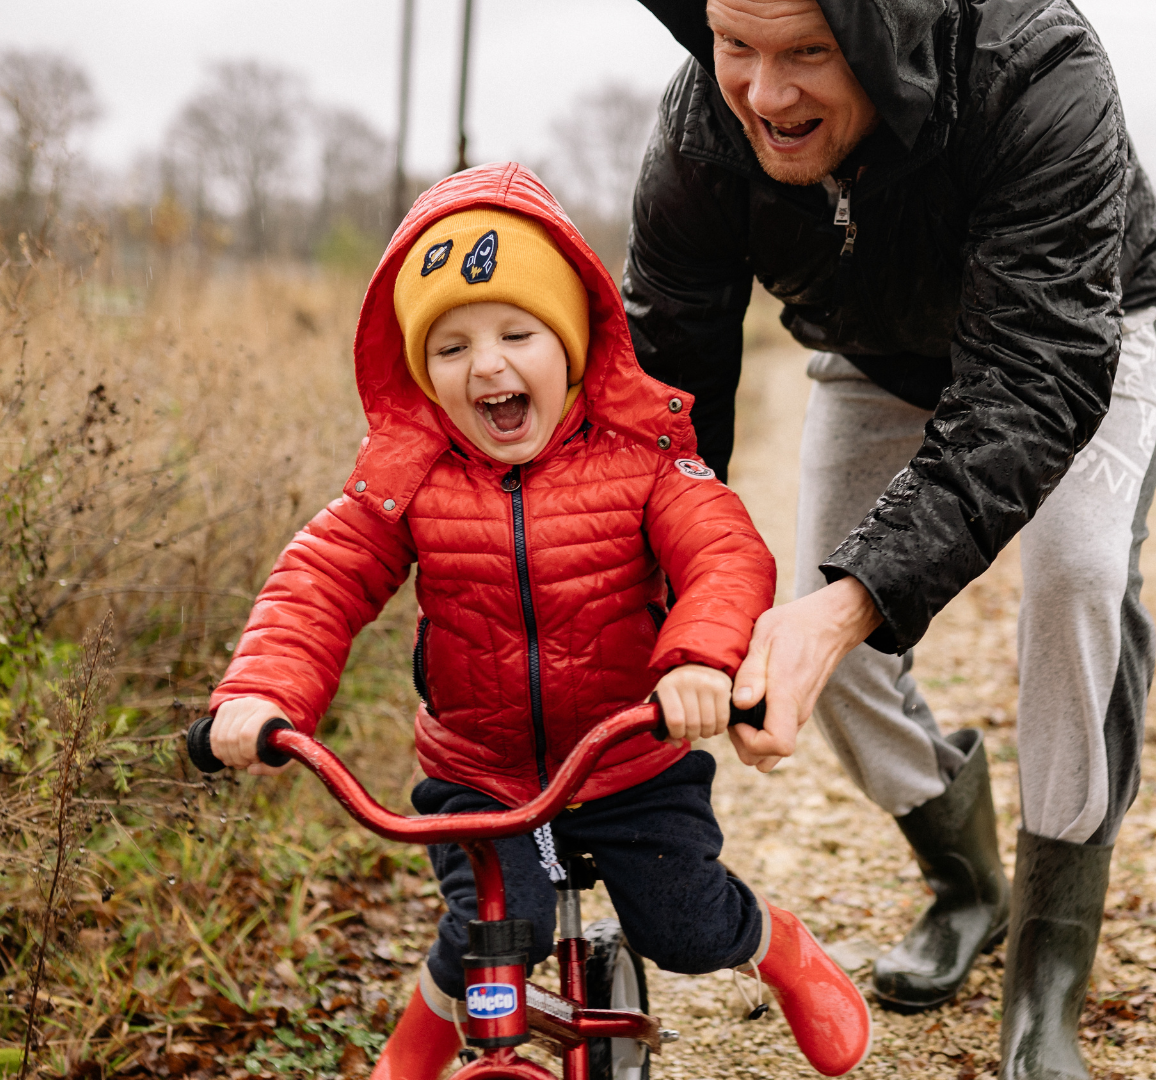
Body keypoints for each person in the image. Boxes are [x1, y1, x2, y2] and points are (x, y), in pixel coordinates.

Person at [202, 163, 871, 1080]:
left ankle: (777, 946)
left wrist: (700, 661)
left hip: (632, 755)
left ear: (573, 344)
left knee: (682, 923)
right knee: (489, 935)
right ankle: (417, 1049)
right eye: (450, 348)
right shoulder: (406, 478)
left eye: (519, 333)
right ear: (419, 371)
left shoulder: (640, 459)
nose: (487, 366)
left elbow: (724, 553)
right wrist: (261, 692)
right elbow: (319, 580)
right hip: (481, 770)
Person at [625, 2, 1156, 1075]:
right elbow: (670, 406)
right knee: (816, 632)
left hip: (1077, 337)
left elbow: (1031, 381)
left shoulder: (1037, 67)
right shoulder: (701, 129)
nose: (764, 96)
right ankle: (968, 884)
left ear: (877, 38)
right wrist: (653, 604)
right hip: (874, 353)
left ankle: (1047, 973)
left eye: (806, 55)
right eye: (736, 46)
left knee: (1077, 573)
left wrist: (853, 602)